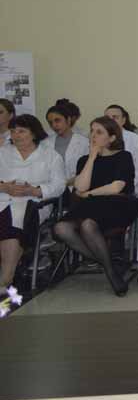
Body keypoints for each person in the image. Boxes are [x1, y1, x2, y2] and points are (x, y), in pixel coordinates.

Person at [53, 117, 136, 296]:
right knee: (61, 228)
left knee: (87, 225)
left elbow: (117, 187)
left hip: (116, 204)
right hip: (89, 205)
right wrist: (92, 157)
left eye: (99, 132)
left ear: (112, 138)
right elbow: (80, 187)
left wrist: (90, 193)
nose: (93, 135)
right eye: (92, 131)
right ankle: (108, 263)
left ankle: (111, 273)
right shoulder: (84, 160)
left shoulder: (123, 156)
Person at [0, 115, 65, 288]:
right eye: (13, 131)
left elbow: (59, 185)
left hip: (33, 203)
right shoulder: (2, 153)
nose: (16, 135)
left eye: (21, 131)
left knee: (14, 224)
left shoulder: (50, 156)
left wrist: (34, 190)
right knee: (8, 219)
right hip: (2, 198)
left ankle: (5, 278)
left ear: (34, 133)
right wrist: (4, 187)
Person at [105, 104, 138, 193]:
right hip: (105, 188)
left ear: (123, 120)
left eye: (115, 117)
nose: (110, 121)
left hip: (132, 187)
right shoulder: (100, 138)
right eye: (107, 118)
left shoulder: (136, 139)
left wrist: (123, 188)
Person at [45, 104, 89, 184]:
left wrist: (65, 183)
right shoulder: (45, 144)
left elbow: (87, 171)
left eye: (57, 120)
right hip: (51, 188)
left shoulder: (84, 143)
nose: (54, 125)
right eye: (50, 122)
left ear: (68, 120)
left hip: (75, 187)